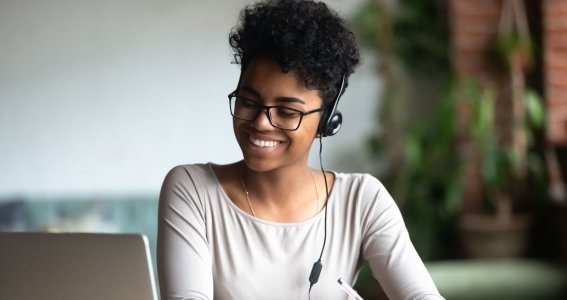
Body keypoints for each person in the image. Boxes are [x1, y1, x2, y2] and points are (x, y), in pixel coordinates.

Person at [157, 0, 444, 299]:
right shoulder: (192, 191)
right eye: (249, 101)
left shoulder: (362, 201)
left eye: (287, 111)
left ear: (326, 121)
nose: (261, 123)